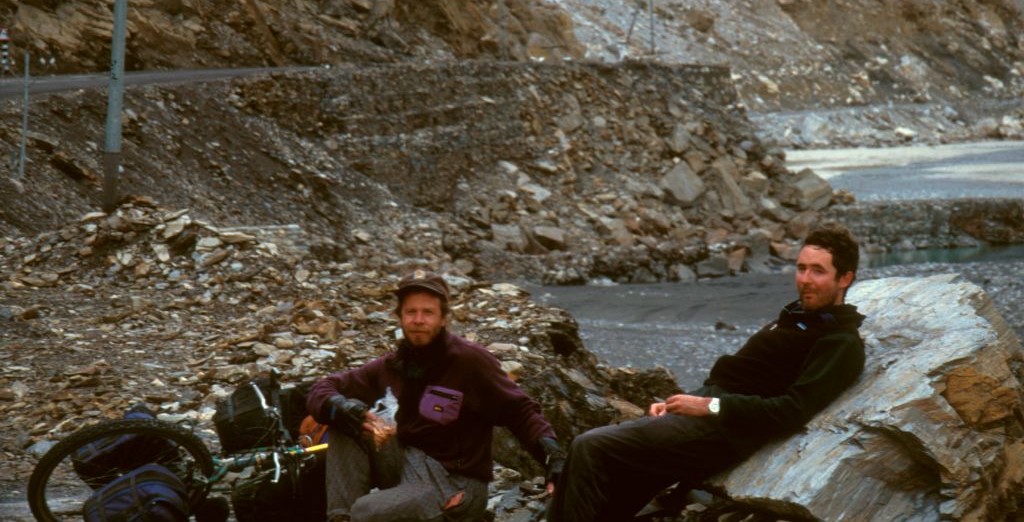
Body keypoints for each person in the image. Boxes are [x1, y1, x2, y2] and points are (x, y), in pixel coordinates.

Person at [546, 222, 866, 522]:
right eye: (801, 268)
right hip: (709, 412)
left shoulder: (840, 342)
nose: (805, 279)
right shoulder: (798, 318)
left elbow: (792, 409)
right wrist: (680, 401)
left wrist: (708, 406)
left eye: (818, 271)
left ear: (845, 279)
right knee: (602, 473)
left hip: (725, 431)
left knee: (591, 447)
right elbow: (737, 375)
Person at [307, 269, 565, 522]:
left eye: (428, 312)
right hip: (406, 464)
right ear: (400, 317)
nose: (418, 320)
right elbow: (323, 388)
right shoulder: (394, 364)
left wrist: (552, 456)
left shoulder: (470, 361)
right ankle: (340, 518)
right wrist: (339, 406)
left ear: (443, 318)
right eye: (411, 312)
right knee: (344, 421)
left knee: (365, 511)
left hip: (455, 481)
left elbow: (520, 410)